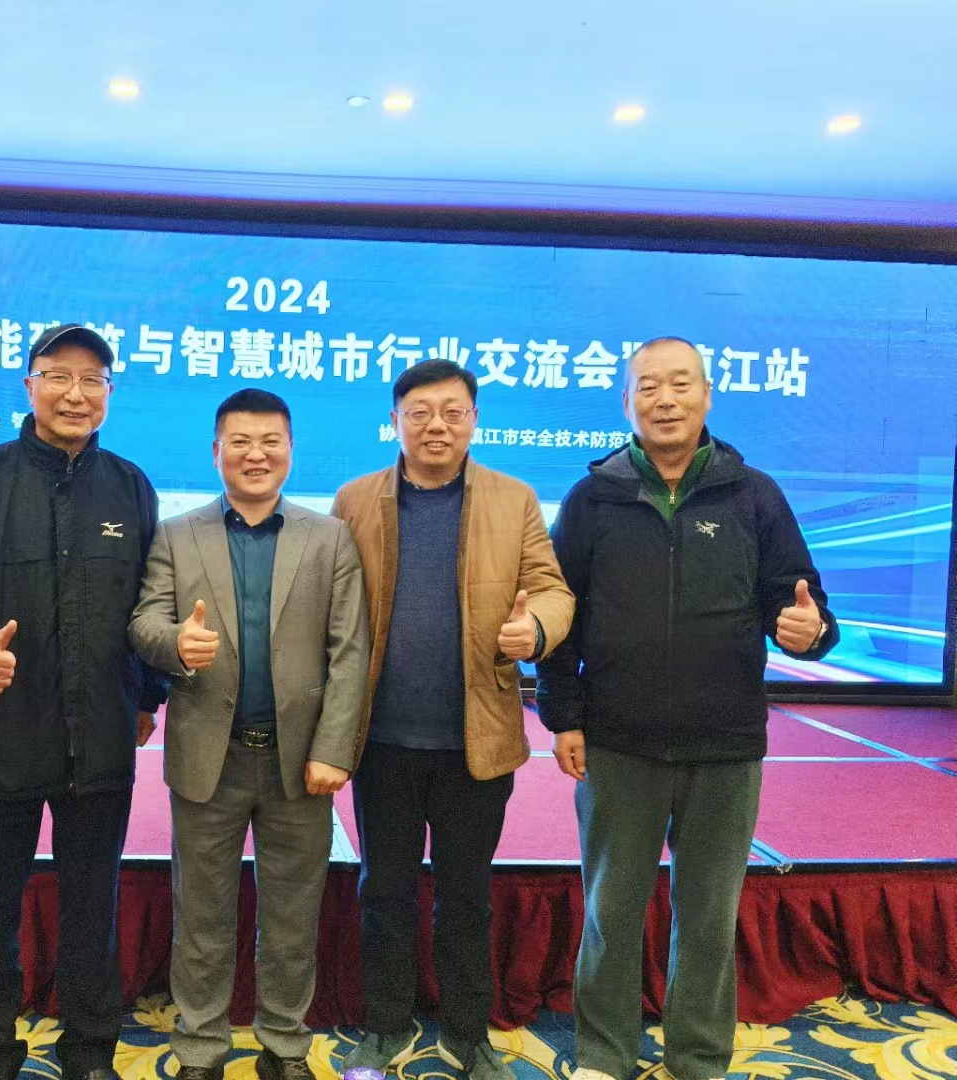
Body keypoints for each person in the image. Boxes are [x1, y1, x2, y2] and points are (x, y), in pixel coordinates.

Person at [536, 336, 838, 1080]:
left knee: (707, 917)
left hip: (725, 744)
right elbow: (557, 612)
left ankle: (698, 1058)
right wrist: (563, 714)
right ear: (626, 402)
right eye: (648, 387)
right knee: (610, 912)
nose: (664, 400)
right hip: (618, 743)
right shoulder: (592, 499)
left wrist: (812, 632)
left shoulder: (754, 495)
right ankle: (604, 1054)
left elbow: (801, 602)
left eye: (680, 385)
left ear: (707, 395)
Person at [0, 323, 167, 1080]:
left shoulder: (131, 487)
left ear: (109, 394)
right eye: (59, 376)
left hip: (101, 739)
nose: (75, 394)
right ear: (30, 385)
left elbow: (151, 599)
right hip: (0, 735)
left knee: (93, 912)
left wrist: (149, 694)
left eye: (93, 380)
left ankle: (89, 1053)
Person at [332, 358, 574, 1079]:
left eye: (452, 412)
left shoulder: (513, 499)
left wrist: (535, 631)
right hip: (380, 741)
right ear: (395, 422)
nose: (436, 426)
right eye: (419, 412)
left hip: (477, 739)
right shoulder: (354, 500)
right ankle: (385, 1026)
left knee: (466, 895)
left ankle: (469, 1033)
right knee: (384, 891)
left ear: (474, 420)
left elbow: (553, 591)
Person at [129, 388, 370, 1080]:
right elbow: (145, 623)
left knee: (292, 918)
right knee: (201, 917)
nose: (255, 454)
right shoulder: (177, 534)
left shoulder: (328, 538)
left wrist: (334, 749)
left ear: (290, 451)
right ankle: (201, 1048)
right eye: (240, 441)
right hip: (209, 757)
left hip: (300, 765)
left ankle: (284, 1045)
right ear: (216, 452)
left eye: (270, 442)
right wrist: (176, 644)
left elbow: (350, 650)